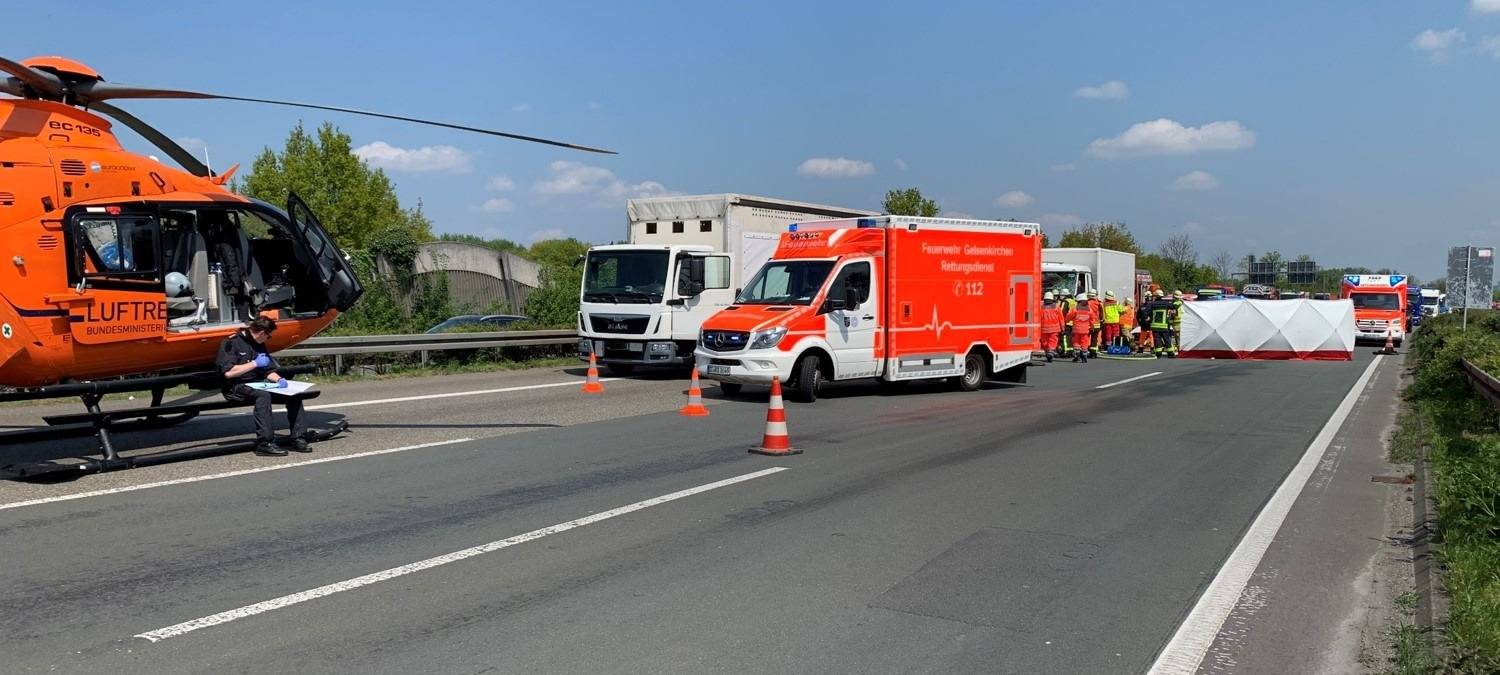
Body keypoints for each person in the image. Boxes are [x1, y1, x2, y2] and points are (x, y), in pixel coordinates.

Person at [218, 316, 308, 456]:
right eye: (268, 336)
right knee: (263, 396)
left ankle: (298, 437)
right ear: (261, 333)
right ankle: (265, 443)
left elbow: (267, 371)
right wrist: (254, 364)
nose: (268, 339)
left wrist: (279, 380)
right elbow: (228, 373)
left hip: (259, 383)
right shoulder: (231, 342)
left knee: (294, 394)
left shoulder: (259, 343)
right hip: (237, 386)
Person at [1149, 290, 1176, 358]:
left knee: (1157, 339)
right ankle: (1170, 354)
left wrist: (1148, 320)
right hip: (1164, 326)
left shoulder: (1152, 304)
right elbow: (1174, 306)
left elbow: (1146, 313)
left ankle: (1158, 354)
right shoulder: (1166, 303)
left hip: (1155, 326)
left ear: (1155, 296)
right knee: (1167, 339)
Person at [1067, 296, 1094, 363]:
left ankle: (1077, 356)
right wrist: (1092, 326)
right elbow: (1092, 319)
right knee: (1084, 342)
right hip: (1085, 330)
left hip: (1076, 329)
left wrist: (1066, 321)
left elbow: (1069, 316)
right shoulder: (1089, 309)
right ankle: (1084, 356)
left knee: (1076, 342)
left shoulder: (1075, 309)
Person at [1039, 291, 1064, 363]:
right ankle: (1050, 352)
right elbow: (1061, 318)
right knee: (1053, 341)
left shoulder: (1041, 306)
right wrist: (1062, 327)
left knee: (1045, 342)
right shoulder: (1056, 306)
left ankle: (1048, 352)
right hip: (1055, 328)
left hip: (1044, 328)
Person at [1086, 289, 1103, 358]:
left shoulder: (1086, 303)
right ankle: (1093, 353)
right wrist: (1101, 321)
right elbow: (1102, 314)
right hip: (1097, 324)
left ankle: (1085, 351)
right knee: (1094, 338)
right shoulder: (1099, 303)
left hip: (1088, 323)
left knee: (1086, 337)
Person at [1170, 290, 1186, 357]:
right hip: (1179, 323)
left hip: (1178, 323)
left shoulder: (1176, 303)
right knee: (1179, 338)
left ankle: (1179, 351)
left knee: (1178, 338)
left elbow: (1174, 314)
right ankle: (1180, 351)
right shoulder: (1179, 303)